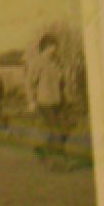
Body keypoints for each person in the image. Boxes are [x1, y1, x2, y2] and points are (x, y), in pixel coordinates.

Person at [29, 33, 68, 165]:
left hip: (57, 100)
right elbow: (30, 83)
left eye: (55, 47)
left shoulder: (56, 63)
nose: (55, 49)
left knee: (53, 128)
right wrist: (31, 101)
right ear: (46, 47)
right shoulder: (38, 63)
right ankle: (58, 159)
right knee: (55, 128)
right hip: (44, 100)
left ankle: (42, 151)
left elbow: (61, 82)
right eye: (53, 46)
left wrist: (65, 98)